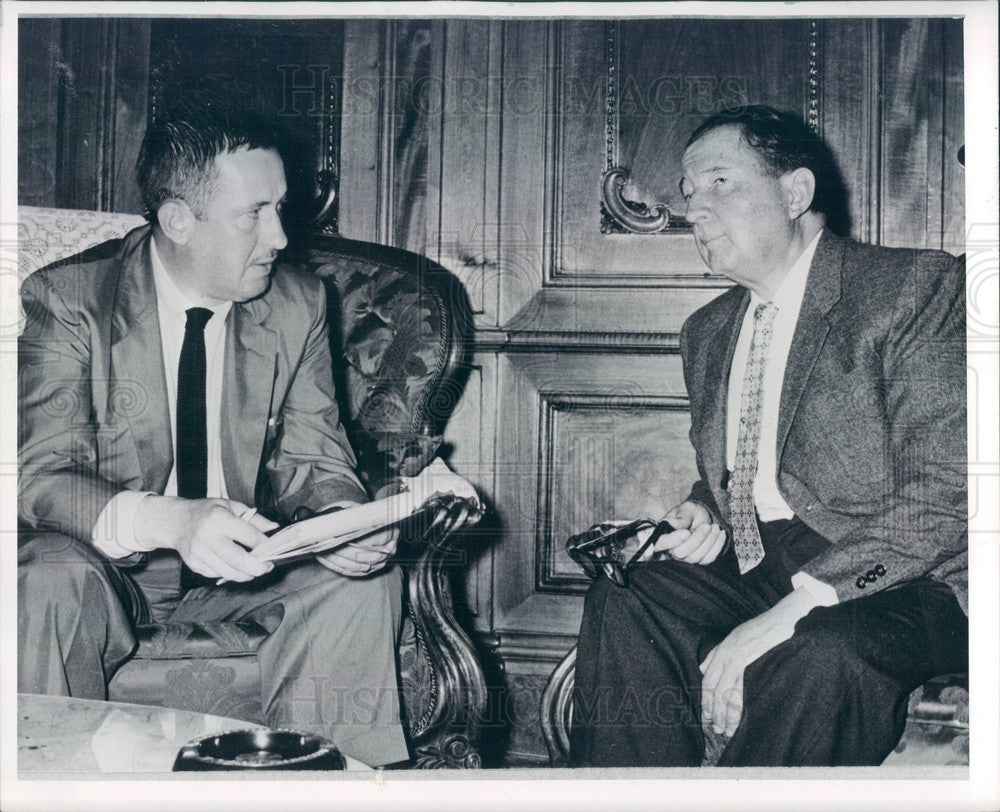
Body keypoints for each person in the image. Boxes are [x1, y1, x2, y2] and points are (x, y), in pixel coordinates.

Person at [570, 105, 967, 767]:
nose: (693, 208)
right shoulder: (707, 329)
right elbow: (741, 469)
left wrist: (797, 607)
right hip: (762, 557)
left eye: (719, 184)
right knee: (627, 595)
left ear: (795, 192)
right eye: (689, 194)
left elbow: (949, 491)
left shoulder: (912, 287)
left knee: (822, 652)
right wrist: (702, 511)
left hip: (912, 577)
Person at [18, 108, 409, 767]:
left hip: (249, 566)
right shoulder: (69, 301)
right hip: (103, 573)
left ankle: (327, 791)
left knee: (363, 584)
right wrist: (171, 521)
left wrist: (346, 523)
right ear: (177, 220)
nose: (280, 236)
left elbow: (315, 456)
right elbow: (40, 475)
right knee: (46, 575)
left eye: (281, 208)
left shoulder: (299, 303)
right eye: (253, 213)